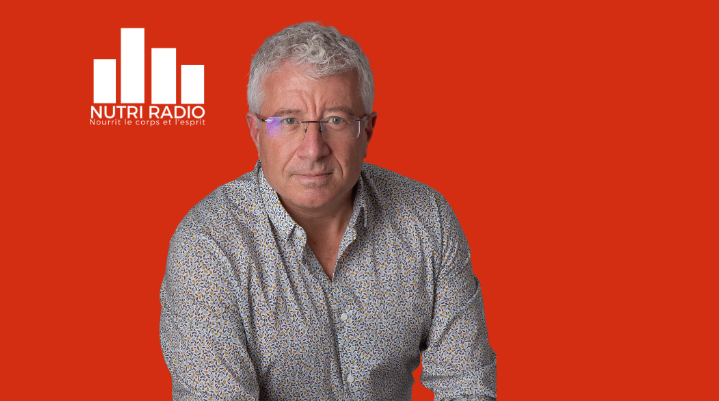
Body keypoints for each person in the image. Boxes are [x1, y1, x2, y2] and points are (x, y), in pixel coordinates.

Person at [159, 21, 497, 400]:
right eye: (289, 121)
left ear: (367, 130)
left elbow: (466, 386)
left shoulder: (427, 219)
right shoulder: (207, 247)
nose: (313, 149)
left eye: (335, 120)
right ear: (255, 131)